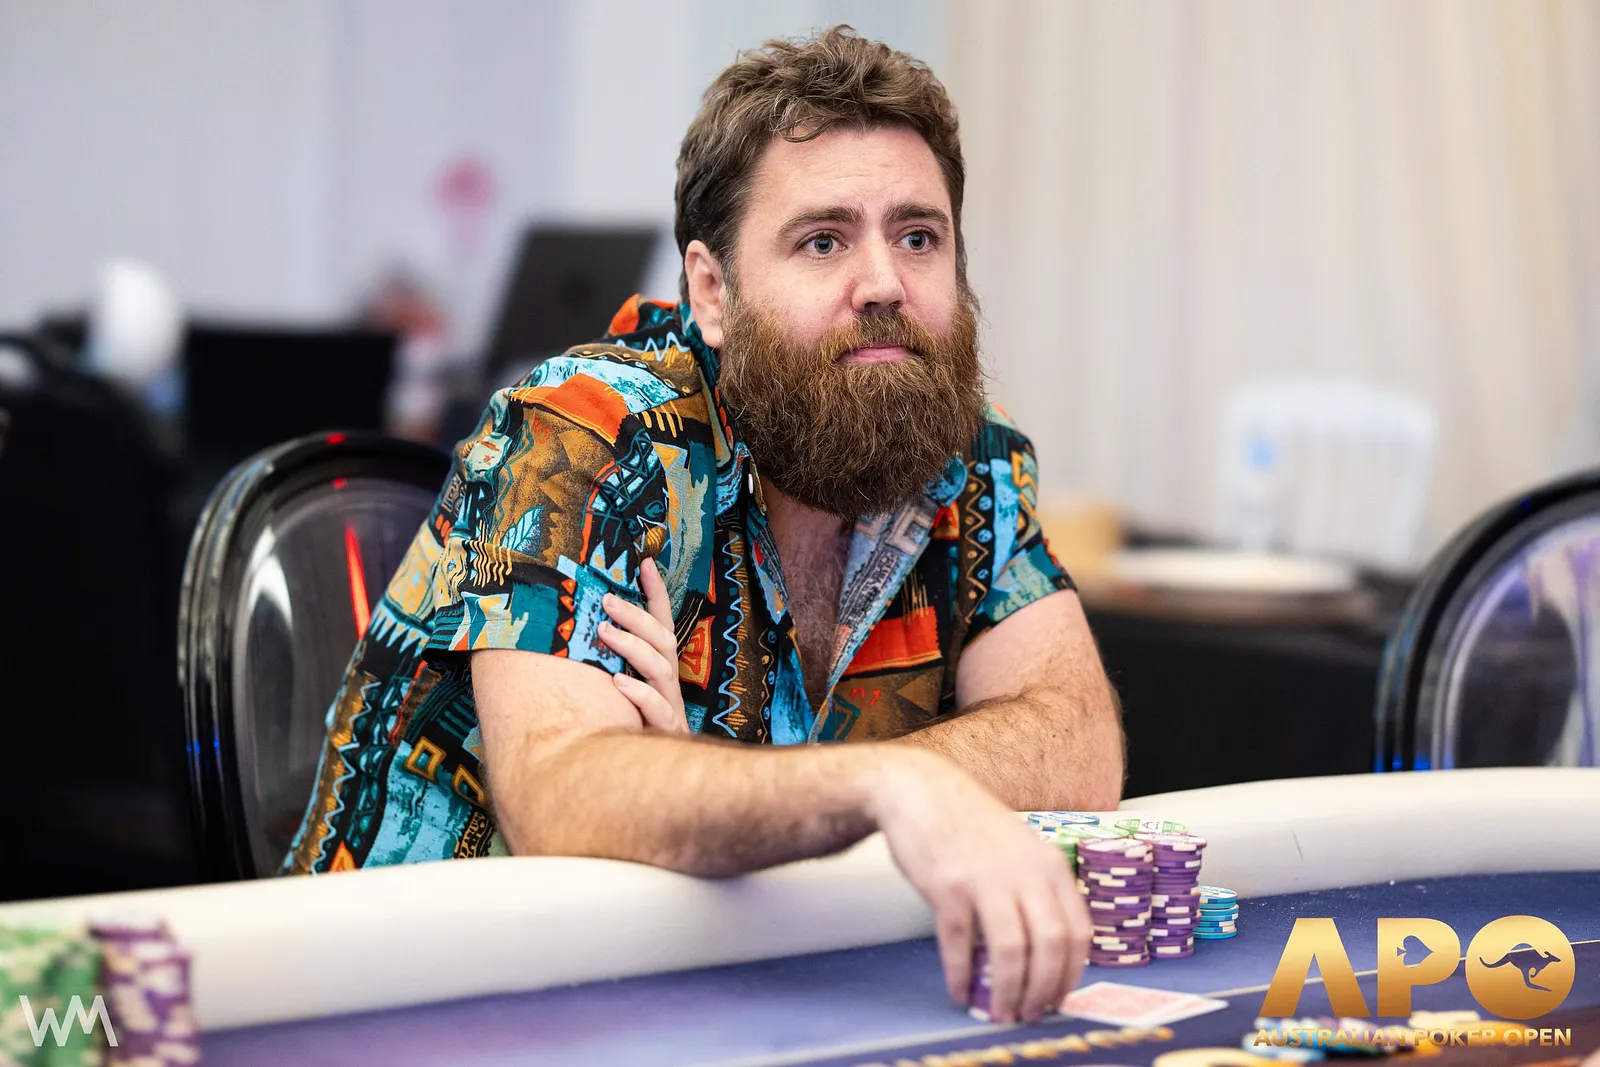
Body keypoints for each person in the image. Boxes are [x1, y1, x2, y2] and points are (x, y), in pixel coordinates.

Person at [285, 26, 1124, 1024]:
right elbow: (561, 794)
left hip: (721, 995)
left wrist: (749, 787)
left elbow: (1078, 740)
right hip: (409, 1003)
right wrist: (882, 787)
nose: (884, 282)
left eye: (918, 236)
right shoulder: (588, 434)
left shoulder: (967, 459)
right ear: (713, 292)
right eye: (823, 241)